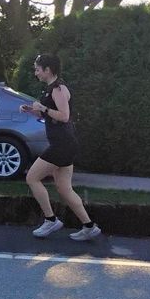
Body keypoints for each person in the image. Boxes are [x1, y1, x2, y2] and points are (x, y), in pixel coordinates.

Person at [20, 52, 102, 241]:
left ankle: (51, 220)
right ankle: (89, 227)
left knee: (32, 178)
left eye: (37, 69)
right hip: (64, 144)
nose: (36, 73)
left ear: (48, 70)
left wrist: (44, 109)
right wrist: (33, 111)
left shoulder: (58, 89)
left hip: (62, 145)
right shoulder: (50, 89)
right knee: (64, 189)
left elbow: (64, 116)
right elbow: (49, 115)